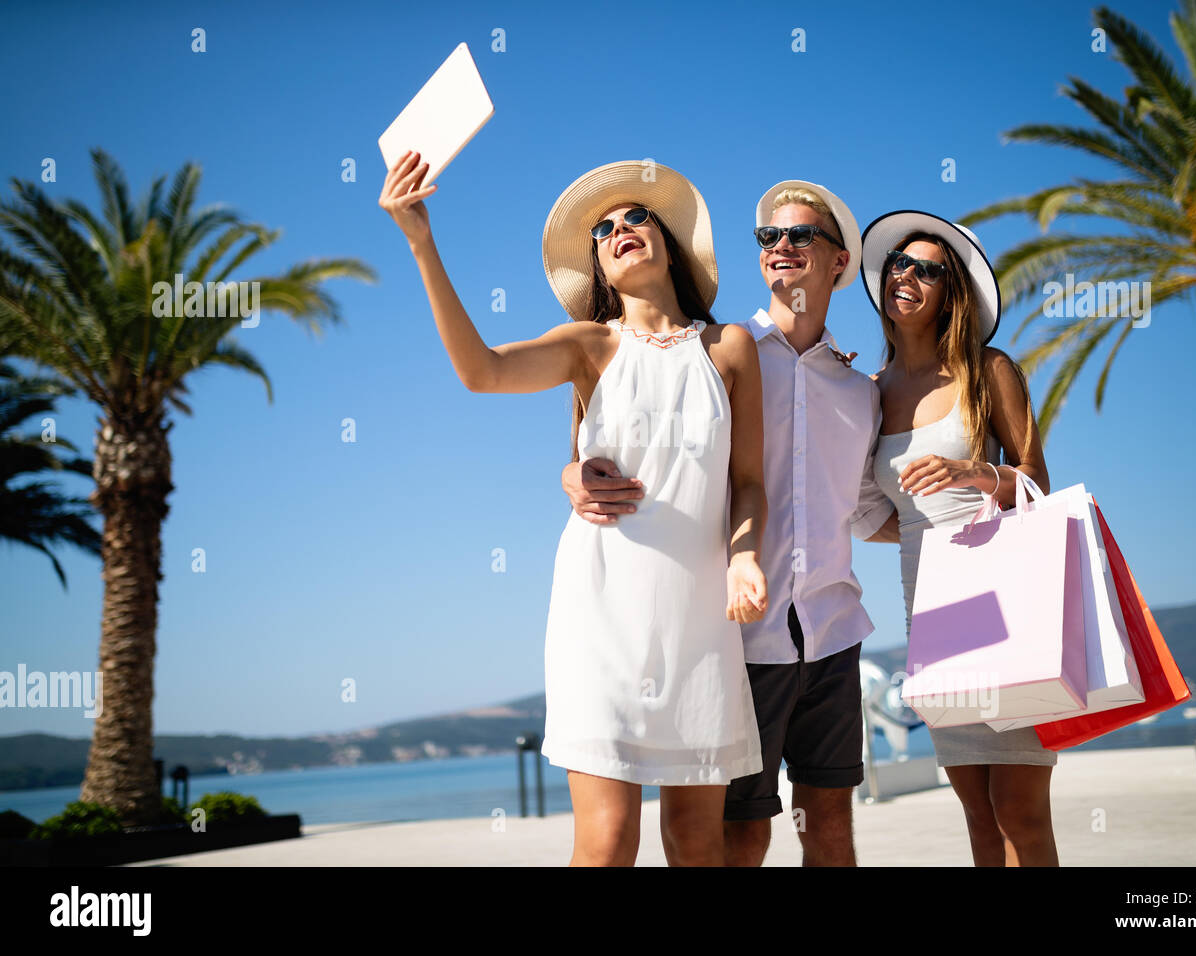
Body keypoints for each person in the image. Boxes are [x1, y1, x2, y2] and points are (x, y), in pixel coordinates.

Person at [379, 153, 768, 866]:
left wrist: (745, 555)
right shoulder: (588, 346)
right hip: (601, 616)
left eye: (637, 217)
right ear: (597, 266)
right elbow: (482, 371)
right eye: (604, 228)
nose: (620, 228)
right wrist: (420, 242)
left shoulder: (731, 347)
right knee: (608, 839)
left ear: (668, 243)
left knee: (696, 841)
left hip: (699, 621)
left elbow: (747, 482)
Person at [563, 181, 896, 866]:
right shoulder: (720, 354)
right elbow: (618, 438)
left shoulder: (861, 390)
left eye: (800, 235)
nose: (780, 247)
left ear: (840, 261)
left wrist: (967, 519)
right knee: (735, 838)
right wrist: (571, 475)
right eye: (769, 238)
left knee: (830, 828)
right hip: (741, 638)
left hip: (833, 632)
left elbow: (862, 510)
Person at [856, 209, 1060, 866]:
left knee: (1020, 813)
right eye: (898, 264)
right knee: (978, 817)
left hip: (1009, 606)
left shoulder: (986, 367)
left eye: (928, 268)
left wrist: (976, 473)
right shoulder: (870, 393)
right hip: (933, 618)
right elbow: (876, 514)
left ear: (952, 292)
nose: (907, 274)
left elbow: (1035, 481)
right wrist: (925, 534)